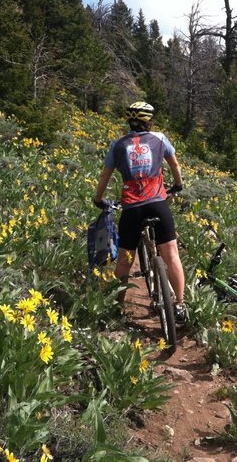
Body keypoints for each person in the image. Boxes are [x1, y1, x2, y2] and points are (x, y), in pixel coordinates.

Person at [93, 101, 187, 323]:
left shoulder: (117, 145)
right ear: (150, 122)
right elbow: (175, 166)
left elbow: (105, 176)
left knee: (125, 260)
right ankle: (180, 304)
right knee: (171, 254)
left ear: (129, 121)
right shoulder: (160, 139)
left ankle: (117, 307)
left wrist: (98, 199)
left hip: (132, 208)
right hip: (157, 203)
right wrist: (178, 185)